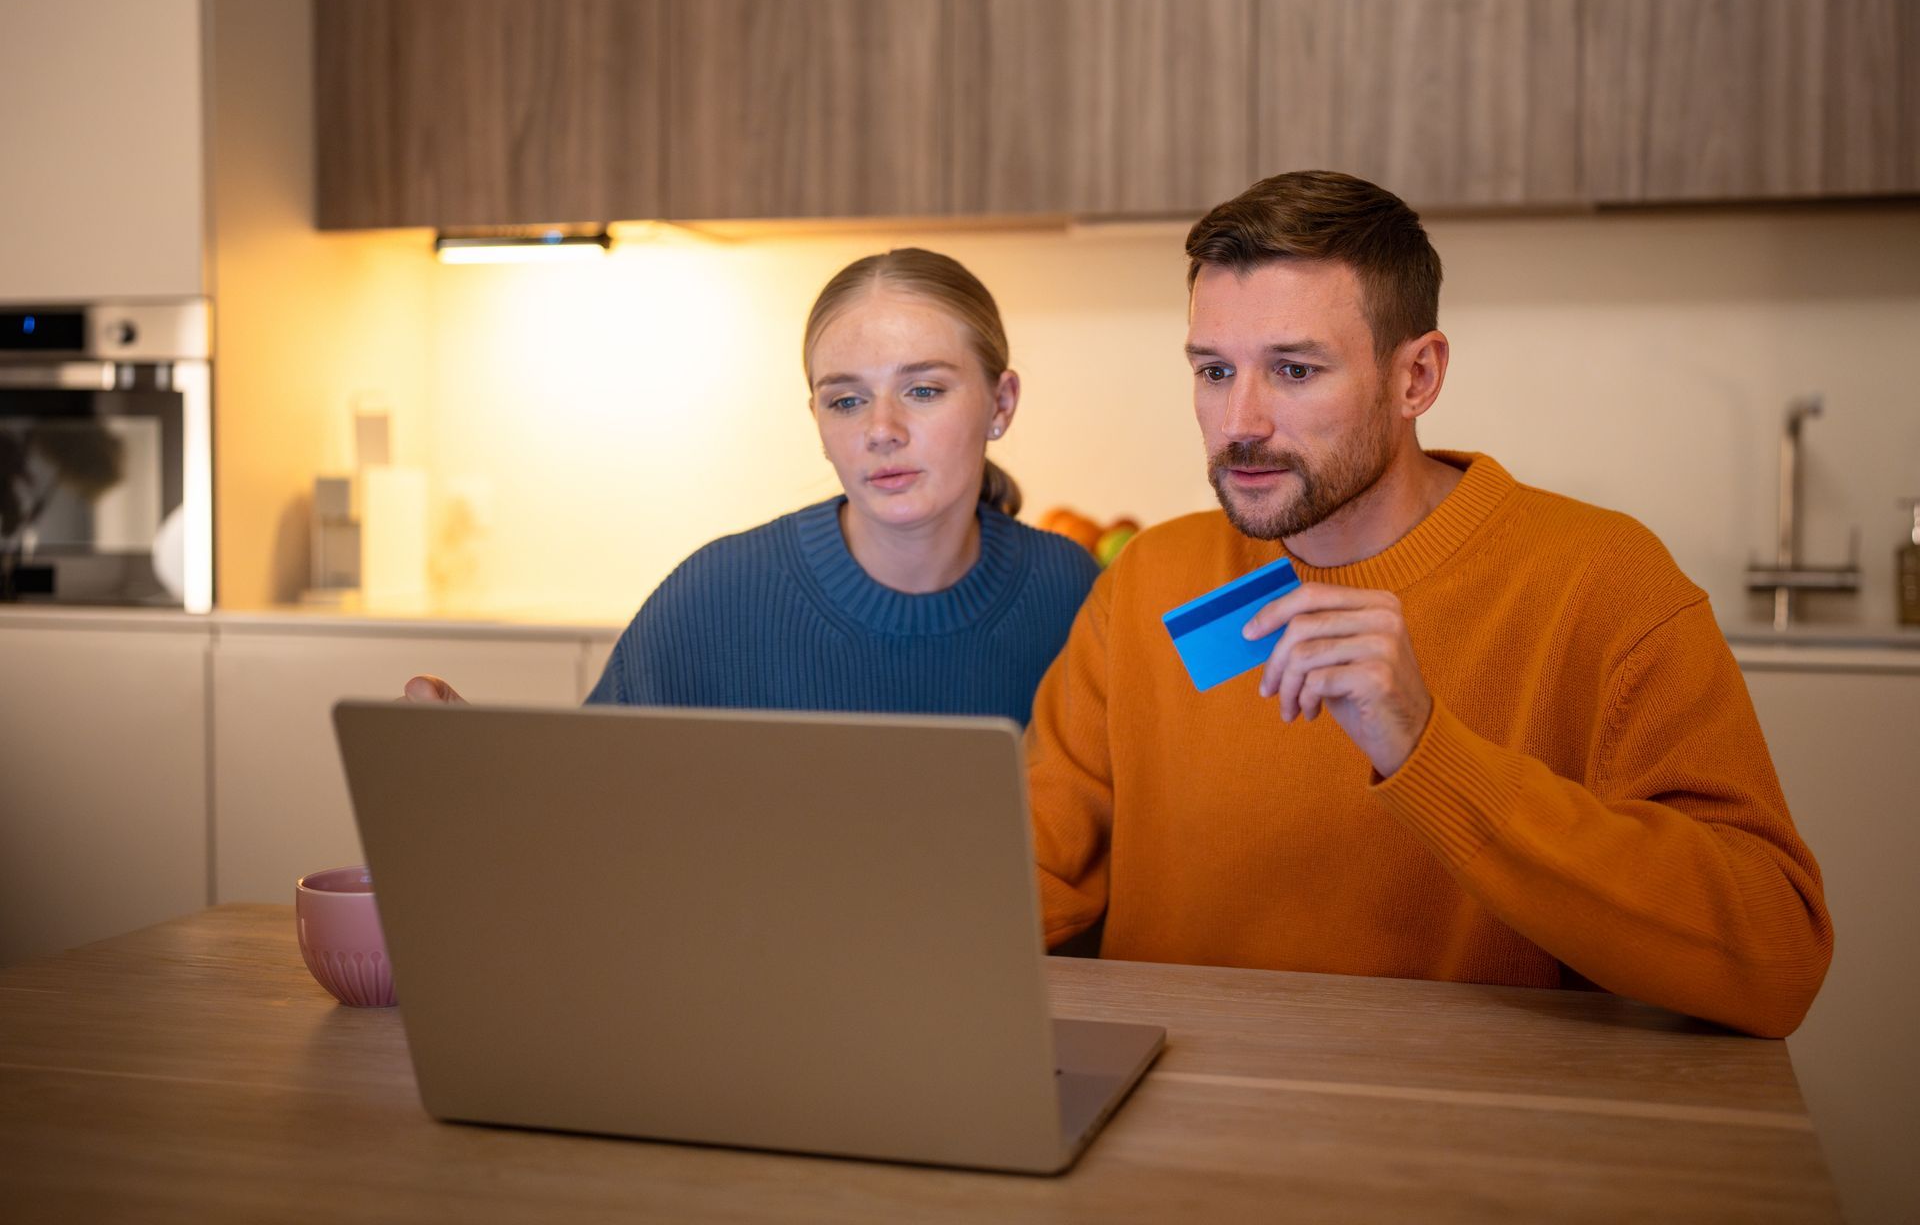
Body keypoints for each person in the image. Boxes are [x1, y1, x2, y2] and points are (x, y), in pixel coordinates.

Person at [1026, 171, 1832, 1037]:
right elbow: (1033, 875)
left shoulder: (1601, 582)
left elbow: (1775, 958)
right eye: (1214, 371)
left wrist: (1426, 749)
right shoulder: (1155, 577)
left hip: (1459, 1135)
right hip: (1181, 1121)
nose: (1240, 421)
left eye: (1294, 370)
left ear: (1417, 377)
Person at [406, 248, 1098, 724]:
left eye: (922, 389)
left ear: (1001, 404)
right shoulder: (714, 597)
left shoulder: (1077, 597)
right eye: (846, 400)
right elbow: (585, 809)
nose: (881, 429)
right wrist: (474, 765)